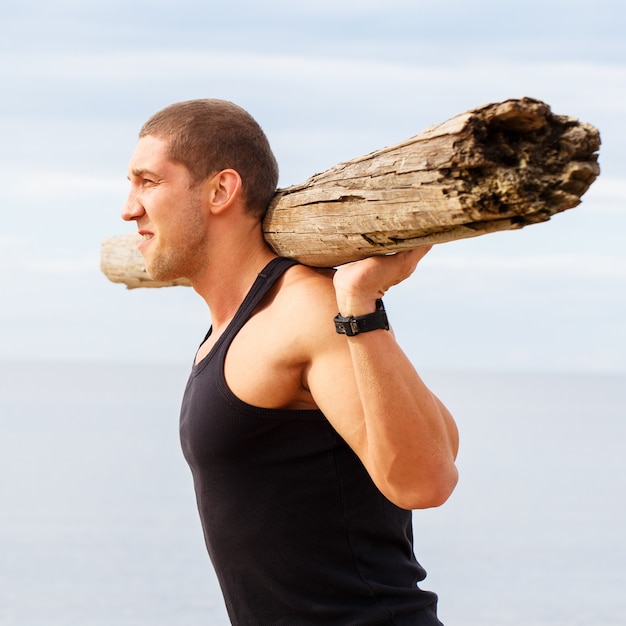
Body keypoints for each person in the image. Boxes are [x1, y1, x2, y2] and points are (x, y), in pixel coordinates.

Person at [122, 99, 459, 625]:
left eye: (148, 182)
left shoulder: (304, 309)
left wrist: (361, 302)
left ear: (220, 191)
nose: (129, 207)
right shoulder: (242, 320)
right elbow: (444, 436)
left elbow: (427, 479)